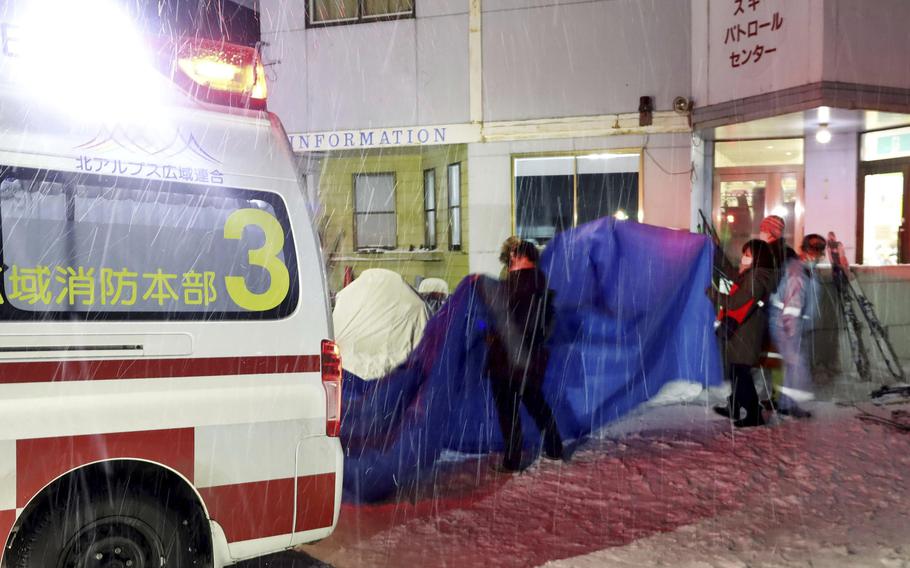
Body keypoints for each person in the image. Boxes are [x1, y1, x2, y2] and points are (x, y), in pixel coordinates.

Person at [481, 238, 563, 471]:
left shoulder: (511, 287)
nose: (510, 262)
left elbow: (500, 320)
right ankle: (555, 447)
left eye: (512, 257)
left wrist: (487, 332)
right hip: (530, 360)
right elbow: (543, 328)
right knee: (536, 403)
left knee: (509, 411)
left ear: (519, 258)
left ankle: (513, 459)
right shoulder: (541, 288)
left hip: (506, 360)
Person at [714, 239, 778, 427]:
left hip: (747, 331)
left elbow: (736, 302)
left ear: (758, 257)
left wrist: (711, 293)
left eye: (748, 254)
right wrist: (717, 250)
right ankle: (734, 405)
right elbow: (729, 272)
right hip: (742, 329)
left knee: (740, 372)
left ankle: (754, 413)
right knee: (737, 370)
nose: (744, 257)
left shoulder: (757, 278)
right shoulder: (749, 274)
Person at [768, 234, 827, 419]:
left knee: (793, 365)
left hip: (791, 324)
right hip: (786, 325)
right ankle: (790, 404)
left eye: (819, 253)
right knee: (797, 364)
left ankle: (787, 404)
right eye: (814, 252)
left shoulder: (806, 270)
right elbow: (792, 305)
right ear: (805, 250)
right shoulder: (797, 272)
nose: (816, 257)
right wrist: (792, 331)